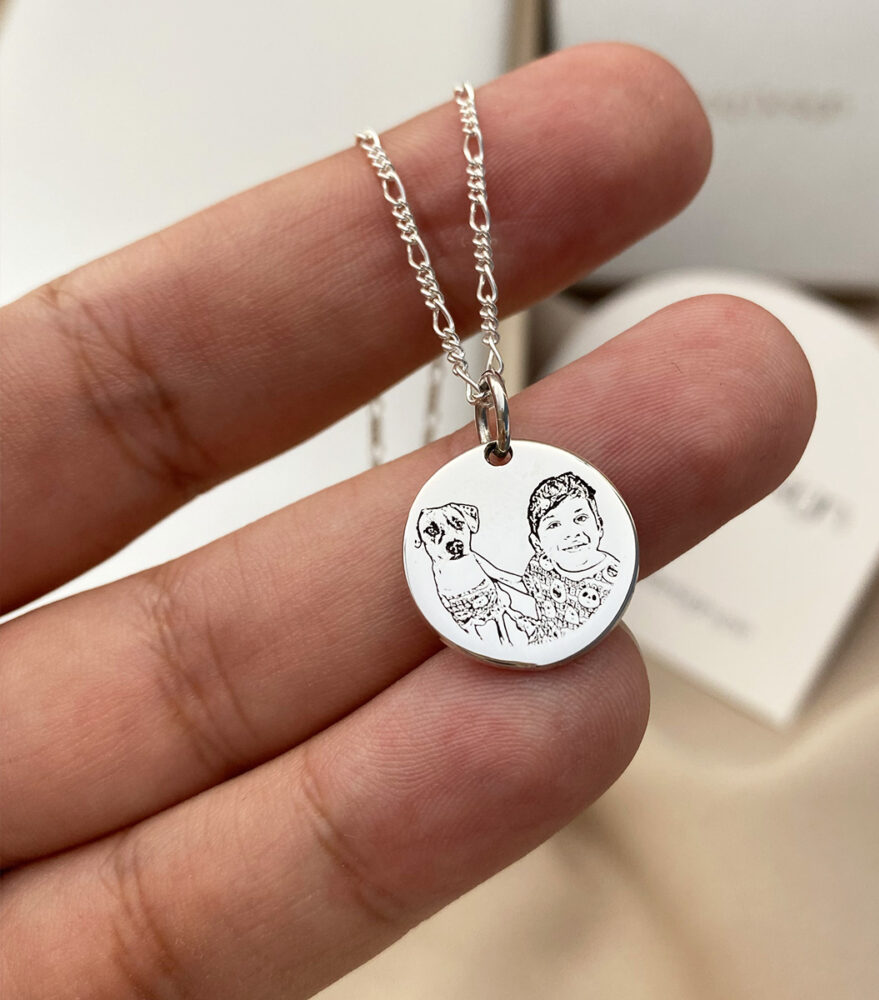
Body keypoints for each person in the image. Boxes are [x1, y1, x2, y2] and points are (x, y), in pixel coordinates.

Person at [0, 43, 814, 999]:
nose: (567, 538)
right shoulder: (502, 573)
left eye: (570, 529)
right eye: (551, 530)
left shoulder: (567, 568)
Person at [522, 472, 620, 642]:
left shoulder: (614, 577)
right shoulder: (539, 565)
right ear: (537, 543)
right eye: (554, 525)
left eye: (580, 518)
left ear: (599, 525)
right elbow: (522, 590)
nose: (571, 533)